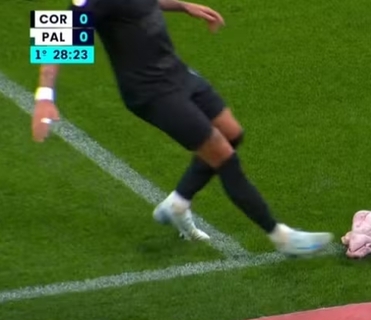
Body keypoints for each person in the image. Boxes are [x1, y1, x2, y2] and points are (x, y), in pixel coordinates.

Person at [30, 0, 333, 255]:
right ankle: (280, 236)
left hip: (176, 72)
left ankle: (177, 204)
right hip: (151, 92)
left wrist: (183, 6)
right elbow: (55, 33)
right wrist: (45, 97)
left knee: (232, 133)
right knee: (223, 154)